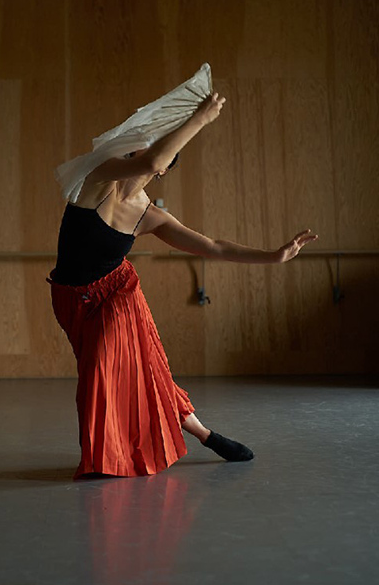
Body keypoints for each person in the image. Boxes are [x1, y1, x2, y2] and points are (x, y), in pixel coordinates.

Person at [49, 91, 318, 478]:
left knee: (104, 370)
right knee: (139, 373)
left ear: (160, 171)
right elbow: (155, 157)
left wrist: (272, 255)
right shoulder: (99, 180)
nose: (133, 159)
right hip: (70, 299)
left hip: (117, 294)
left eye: (142, 156)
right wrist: (198, 119)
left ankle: (113, 458)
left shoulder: (149, 215)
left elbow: (212, 247)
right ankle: (204, 434)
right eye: (131, 153)